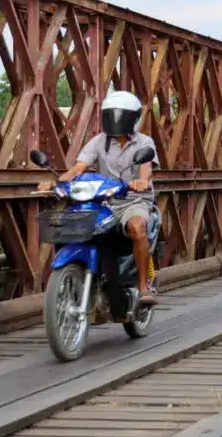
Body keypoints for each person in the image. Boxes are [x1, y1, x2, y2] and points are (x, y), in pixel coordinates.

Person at [38, 91, 161, 306]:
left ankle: (143, 287)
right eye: (112, 115)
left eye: (120, 115)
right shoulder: (99, 142)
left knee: (137, 227)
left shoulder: (144, 142)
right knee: (72, 228)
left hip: (132, 200)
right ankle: (84, 278)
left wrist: (141, 181)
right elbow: (78, 168)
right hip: (103, 200)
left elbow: (146, 169)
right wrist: (56, 183)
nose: (115, 120)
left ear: (133, 118)